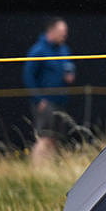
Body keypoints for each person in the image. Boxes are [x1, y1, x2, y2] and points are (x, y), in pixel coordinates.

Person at [23, 17, 75, 165]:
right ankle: (36, 169)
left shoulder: (64, 49)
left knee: (55, 138)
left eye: (65, 32)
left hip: (61, 101)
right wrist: (38, 99)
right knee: (44, 136)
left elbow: (69, 68)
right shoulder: (38, 50)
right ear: (51, 31)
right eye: (61, 32)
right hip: (46, 103)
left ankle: (49, 169)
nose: (65, 35)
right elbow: (28, 76)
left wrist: (70, 75)